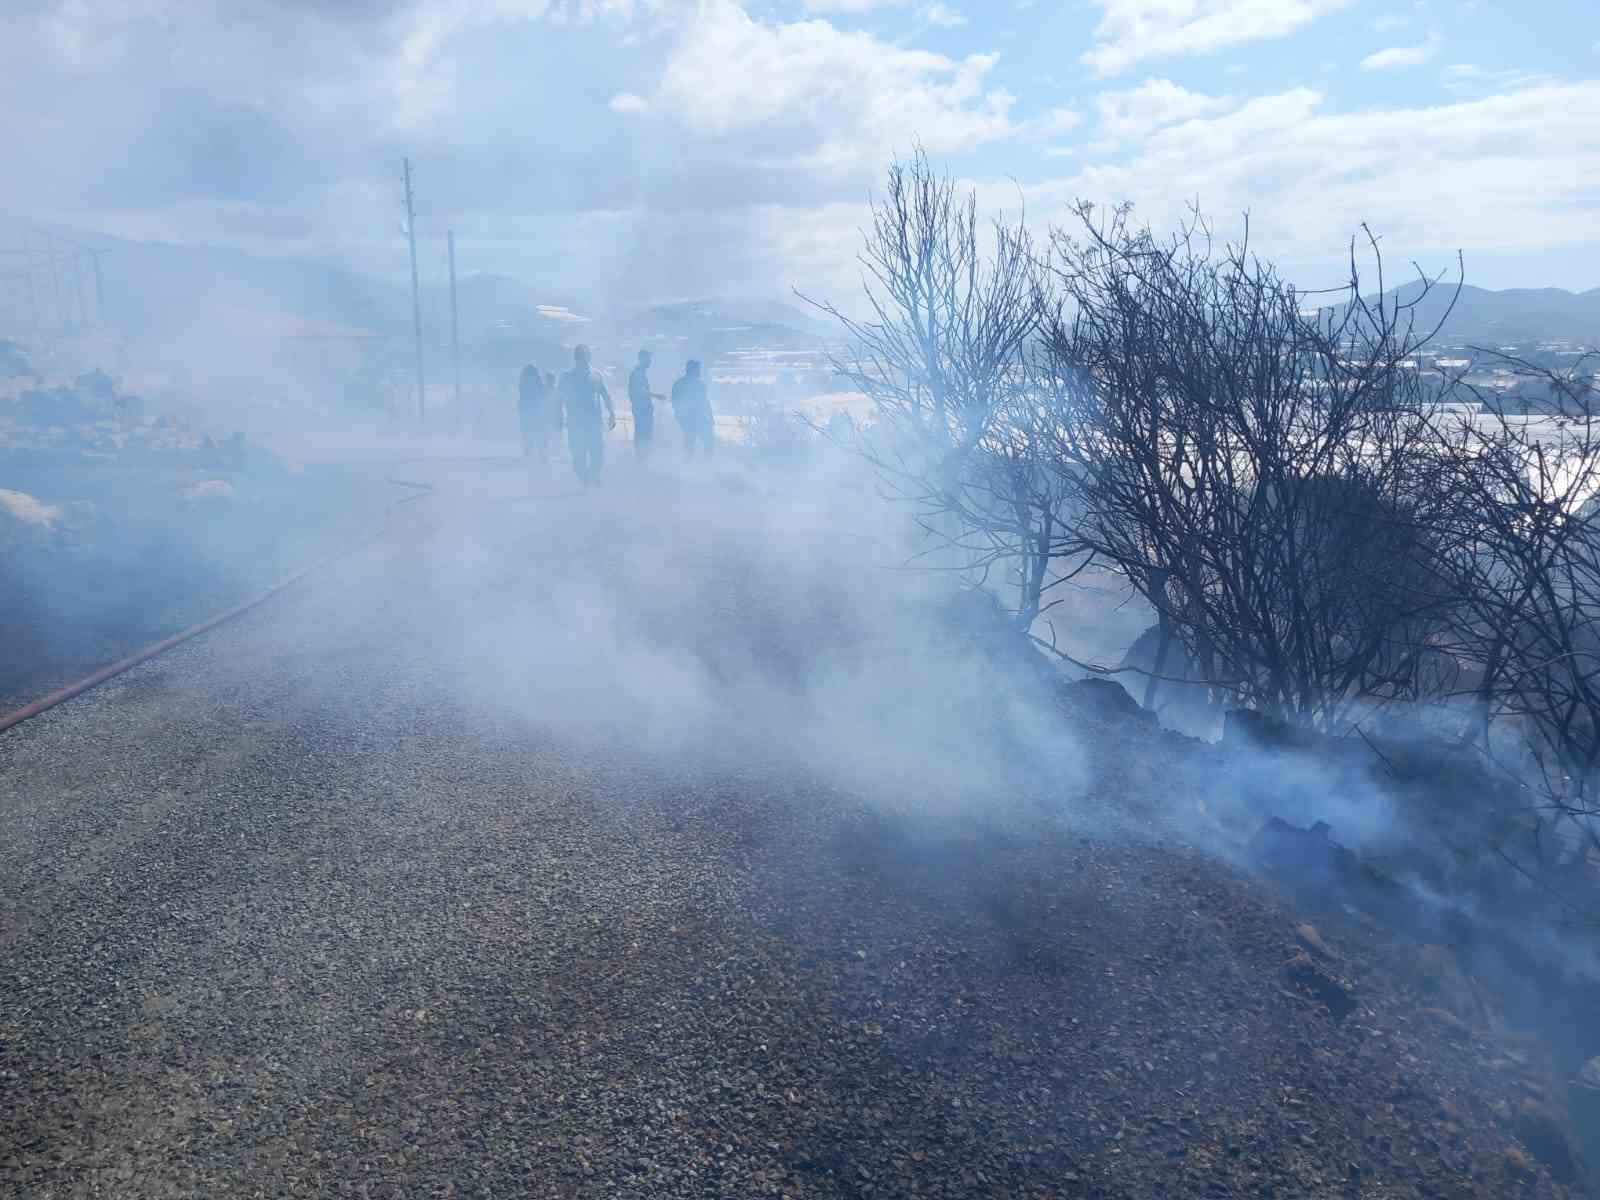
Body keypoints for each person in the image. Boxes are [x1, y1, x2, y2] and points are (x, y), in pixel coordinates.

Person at [557, 344, 615, 485]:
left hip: (594, 423)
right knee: (578, 456)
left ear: (589, 357)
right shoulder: (567, 377)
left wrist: (612, 413)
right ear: (575, 358)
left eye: (585, 355)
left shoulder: (597, 375)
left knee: (598, 454)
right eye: (579, 355)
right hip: (575, 423)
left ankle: (591, 476)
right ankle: (586, 479)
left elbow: (606, 396)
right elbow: (558, 399)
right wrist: (558, 416)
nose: (582, 358)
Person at [627, 349, 664, 461]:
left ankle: (643, 459)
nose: (650, 362)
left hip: (644, 410)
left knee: (645, 435)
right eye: (648, 359)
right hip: (641, 410)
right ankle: (641, 461)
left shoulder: (640, 373)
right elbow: (639, 391)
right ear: (642, 359)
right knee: (643, 435)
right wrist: (656, 395)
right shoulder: (636, 373)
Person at [671, 359, 713, 457]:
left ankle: (689, 462)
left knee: (690, 439)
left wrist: (678, 415)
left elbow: (674, 402)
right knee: (707, 439)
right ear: (693, 370)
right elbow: (705, 403)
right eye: (698, 369)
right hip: (693, 416)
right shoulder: (699, 385)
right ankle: (707, 462)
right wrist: (710, 417)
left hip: (686, 417)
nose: (699, 372)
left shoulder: (679, 383)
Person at [517, 364, 550, 462]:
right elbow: (545, 395)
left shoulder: (523, 384)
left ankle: (529, 456)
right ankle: (542, 456)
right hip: (537, 413)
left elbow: (521, 402)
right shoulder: (538, 383)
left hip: (527, 413)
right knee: (540, 436)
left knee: (528, 436)